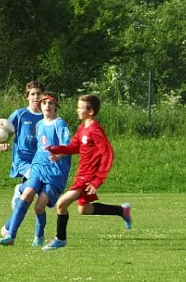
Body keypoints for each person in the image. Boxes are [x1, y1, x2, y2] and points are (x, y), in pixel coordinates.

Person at [42, 94, 131, 251]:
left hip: (88, 177)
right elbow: (74, 147)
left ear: (90, 111)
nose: (77, 110)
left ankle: (60, 239)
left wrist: (98, 180)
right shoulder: (83, 128)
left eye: (80, 107)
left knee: (61, 204)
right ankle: (121, 210)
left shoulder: (95, 130)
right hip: (81, 174)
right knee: (84, 209)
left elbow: (107, 153)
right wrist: (55, 149)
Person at [0, 92, 72, 246]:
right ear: (41, 106)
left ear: (55, 107)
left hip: (55, 173)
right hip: (38, 168)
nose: (47, 106)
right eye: (44, 103)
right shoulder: (39, 125)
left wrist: (58, 155)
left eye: (51, 103)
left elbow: (68, 146)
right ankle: (11, 235)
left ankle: (39, 236)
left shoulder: (59, 124)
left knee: (39, 207)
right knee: (26, 196)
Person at [0, 81, 44, 210]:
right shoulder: (20, 114)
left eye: (39, 94)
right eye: (33, 94)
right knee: (35, 180)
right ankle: (20, 190)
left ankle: (20, 192)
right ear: (27, 96)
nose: (36, 97)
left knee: (29, 198)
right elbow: (4, 131)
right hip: (22, 159)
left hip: (40, 160)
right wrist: (3, 142)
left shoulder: (46, 115)